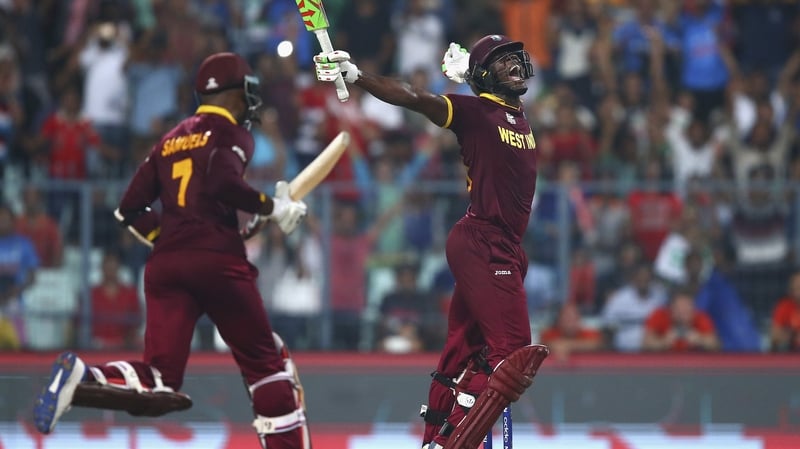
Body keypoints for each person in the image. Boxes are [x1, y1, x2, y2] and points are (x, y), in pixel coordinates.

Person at [33, 52, 310, 449]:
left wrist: (179, 236)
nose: (251, 103)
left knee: (160, 381)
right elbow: (219, 182)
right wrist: (271, 206)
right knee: (267, 363)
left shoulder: (169, 139)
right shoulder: (233, 133)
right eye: (248, 93)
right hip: (217, 263)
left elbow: (128, 207)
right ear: (233, 94)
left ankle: (82, 377)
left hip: (166, 264)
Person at [314, 34, 546, 449]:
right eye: (500, 60)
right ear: (483, 74)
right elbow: (416, 97)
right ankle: (455, 442)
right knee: (512, 355)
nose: (512, 62)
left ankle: (434, 436)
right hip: (484, 241)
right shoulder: (476, 112)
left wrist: (470, 79)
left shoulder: (510, 111)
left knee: (463, 354)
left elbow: (484, 98)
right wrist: (358, 75)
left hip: (500, 246)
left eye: (514, 56)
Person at [642, 289, 720, 352]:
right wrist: (664, 342)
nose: (683, 316)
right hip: (664, 364)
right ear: (671, 309)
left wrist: (700, 340)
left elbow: (715, 344)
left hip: (694, 364)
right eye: (679, 311)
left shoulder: (701, 317)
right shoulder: (659, 315)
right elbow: (646, 343)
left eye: (687, 311)